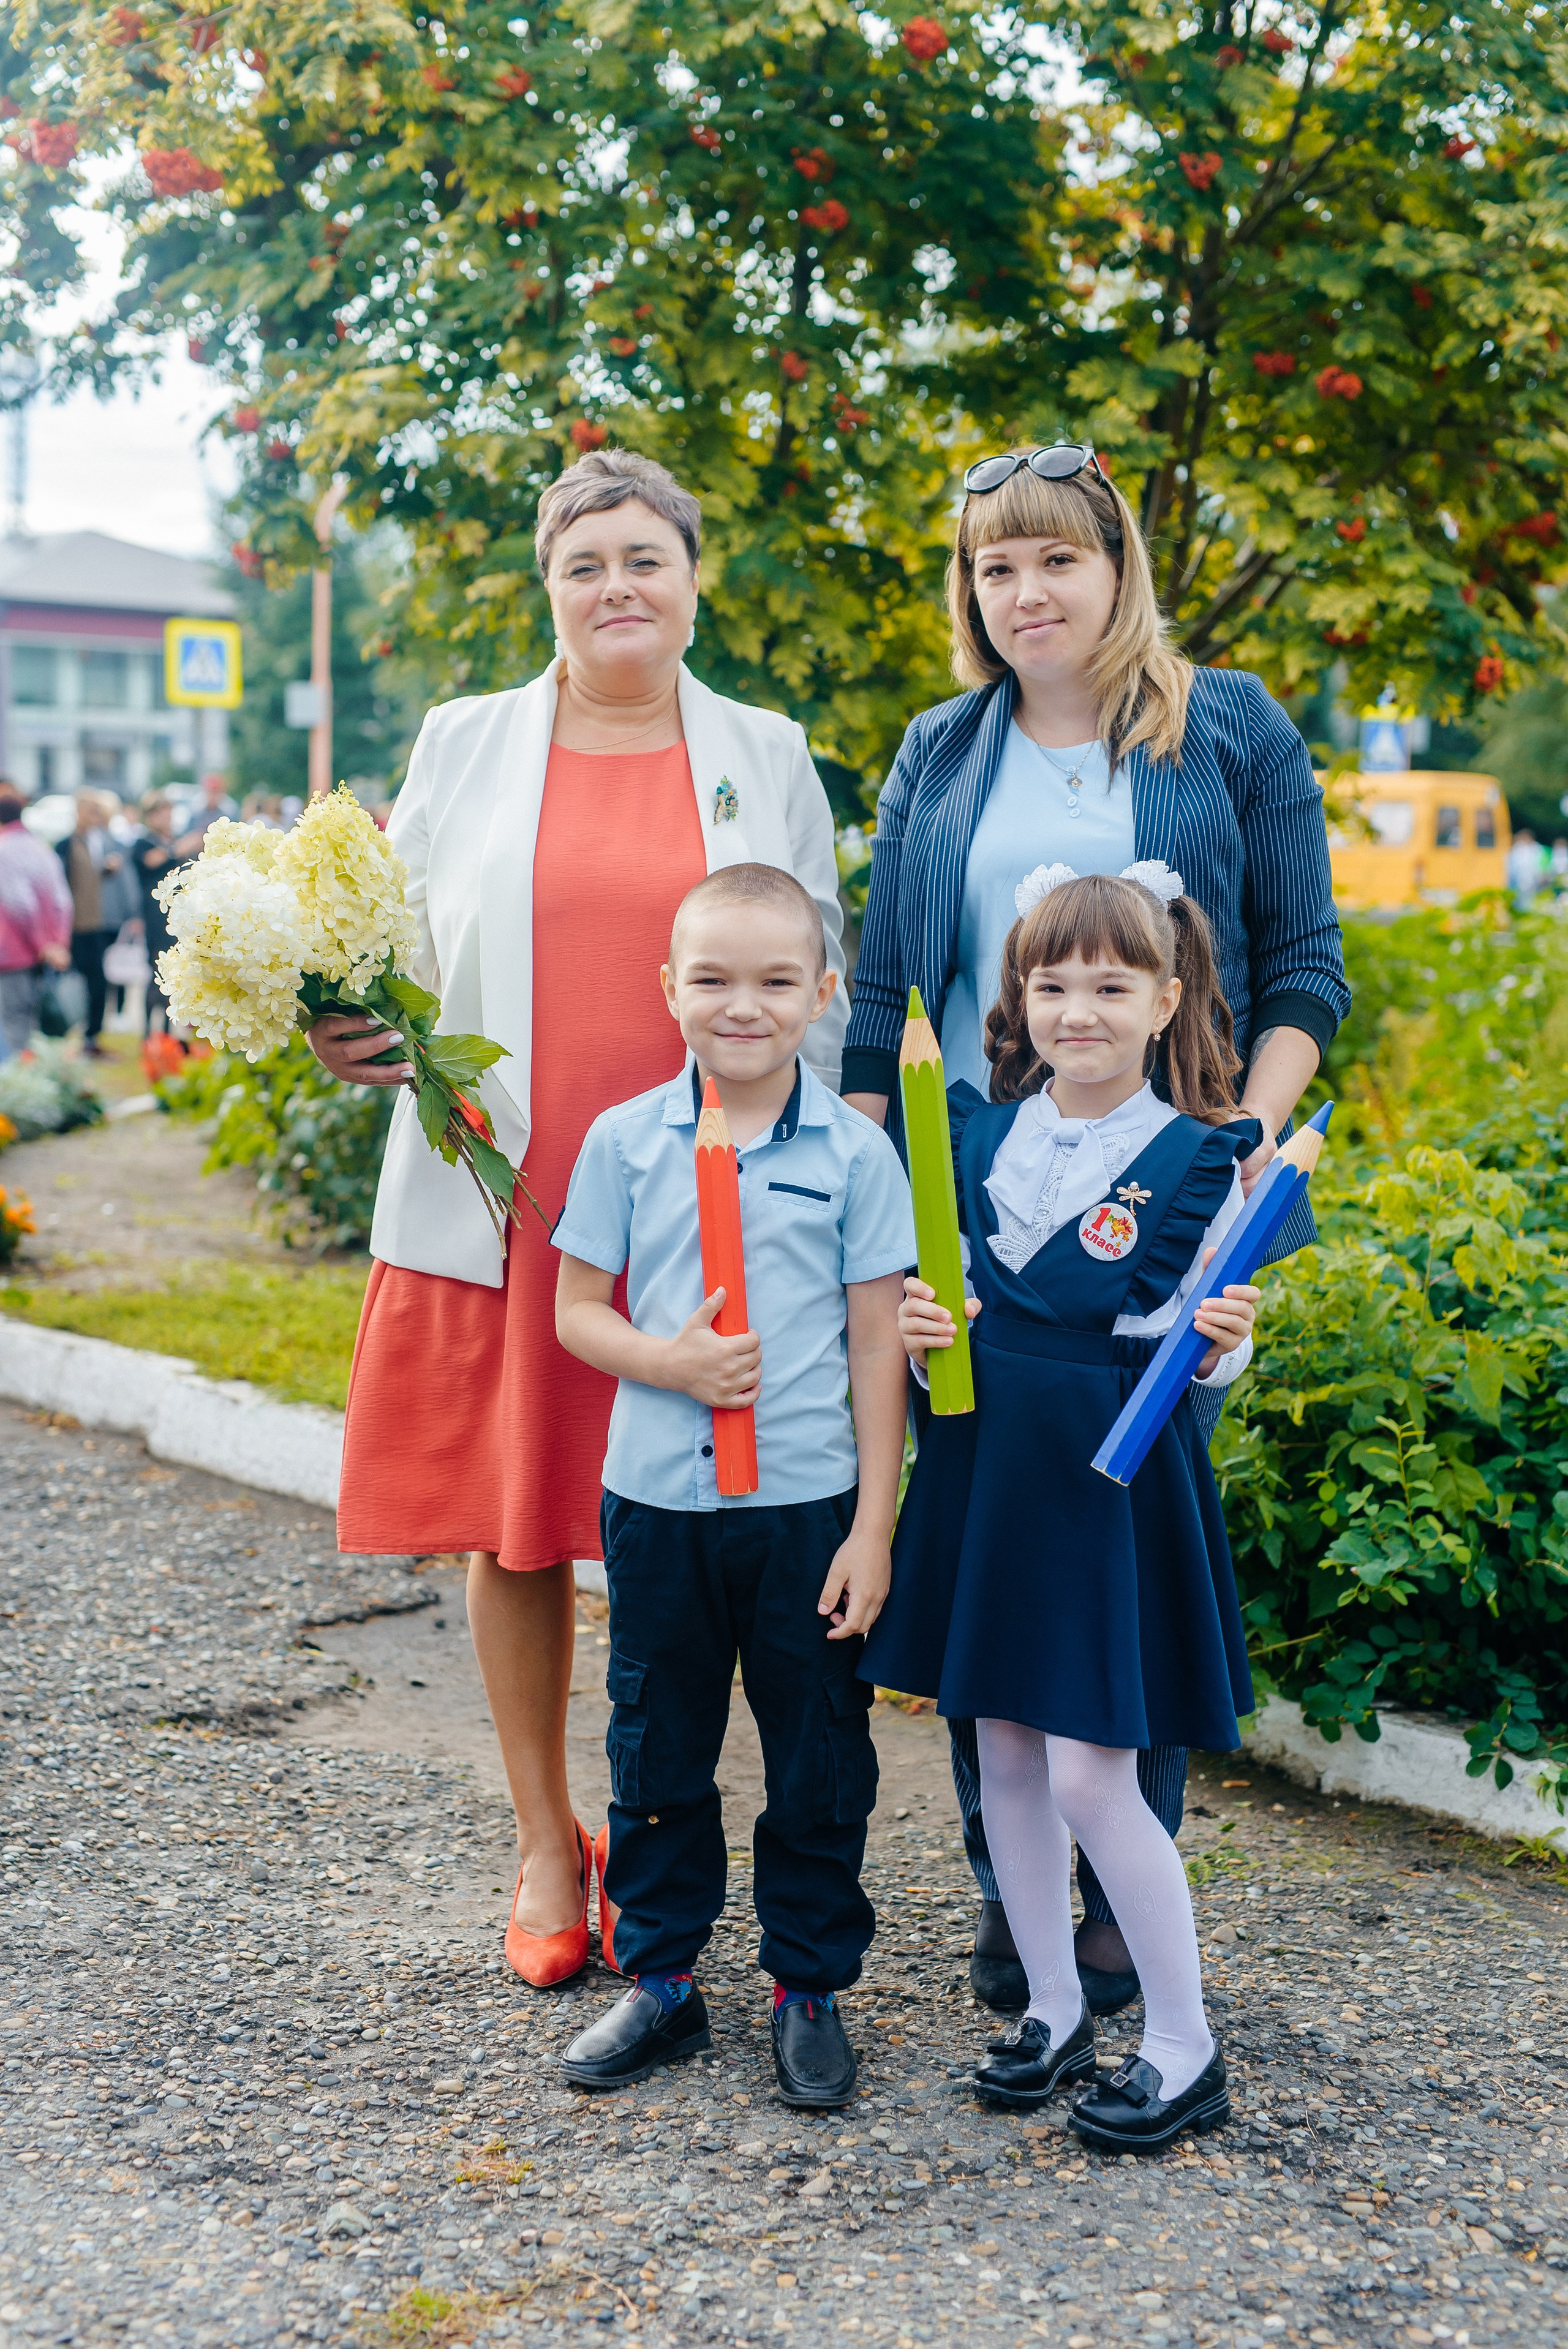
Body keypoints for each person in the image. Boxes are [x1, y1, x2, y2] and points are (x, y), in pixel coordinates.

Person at [309, 450, 850, 1990]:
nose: (617, 585)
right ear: (547, 585)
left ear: (692, 575)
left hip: (714, 1212)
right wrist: (333, 1026)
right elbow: (382, 949)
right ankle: (550, 1838)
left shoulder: (766, 747)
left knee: (721, 1534)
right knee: (520, 1524)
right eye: (584, 562)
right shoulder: (462, 741)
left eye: (644, 557)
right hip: (516, 1198)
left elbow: (816, 988)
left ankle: (693, 1840)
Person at [839, 442, 1349, 2018]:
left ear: (1117, 568)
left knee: (1125, 1516)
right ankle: (1019, 1894)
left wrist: (1237, 1153)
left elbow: (1301, 969)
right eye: (995, 567)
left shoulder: (1228, 728)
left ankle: (1125, 1884)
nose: (1025, 591)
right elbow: (879, 999)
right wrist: (876, 1211)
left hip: (1166, 1168)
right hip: (976, 1190)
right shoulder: (938, 748)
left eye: (1055, 558)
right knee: (991, 1516)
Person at [863, 867, 1260, 2151]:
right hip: (988, 1471)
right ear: (1018, 997)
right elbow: (945, 1319)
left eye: (1107, 984)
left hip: (1103, 1486)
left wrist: (1219, 1341)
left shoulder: (1204, 1159)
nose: (1074, 1009)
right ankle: (1048, 2006)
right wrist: (928, 1338)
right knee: (1004, 1756)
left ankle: (1182, 2043)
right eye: (1049, 983)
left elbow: (1197, 1347)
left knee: (1098, 1776)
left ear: (1164, 997)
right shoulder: (970, 1138)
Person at [550, 866, 912, 2102]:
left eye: (773, 981)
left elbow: (876, 1345)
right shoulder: (623, 1143)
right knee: (656, 1746)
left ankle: (806, 1986)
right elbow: (575, 1314)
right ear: (669, 989)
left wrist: (873, 1526)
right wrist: (672, 1361)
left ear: (822, 992)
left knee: (814, 1751)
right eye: (711, 978)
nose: (740, 1006)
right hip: (659, 1507)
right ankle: (660, 1981)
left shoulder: (858, 1155)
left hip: (805, 1513)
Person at [0, 780, 73, 1057]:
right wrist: (58, 944)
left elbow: (20, 905)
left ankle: (21, 1093)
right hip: (47, 956)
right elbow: (62, 901)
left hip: (14, 953)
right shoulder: (41, 847)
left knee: (15, 1028)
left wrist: (43, 945)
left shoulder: (4, 850)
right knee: (41, 1028)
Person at [56, 791, 132, 1057]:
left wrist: (107, 872)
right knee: (86, 985)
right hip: (75, 928)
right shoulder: (67, 845)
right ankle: (81, 1037)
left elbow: (89, 879)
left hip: (93, 925)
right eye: (90, 810)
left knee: (97, 984)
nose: (95, 817)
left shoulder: (93, 842)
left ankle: (90, 1037)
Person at [133, 796, 205, 1035]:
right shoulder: (144, 842)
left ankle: (164, 1032)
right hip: (155, 917)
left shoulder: (171, 840)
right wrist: (177, 849)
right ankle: (147, 1032)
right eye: (163, 814)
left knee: (173, 974)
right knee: (156, 971)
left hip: (177, 917)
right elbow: (149, 861)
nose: (168, 819)